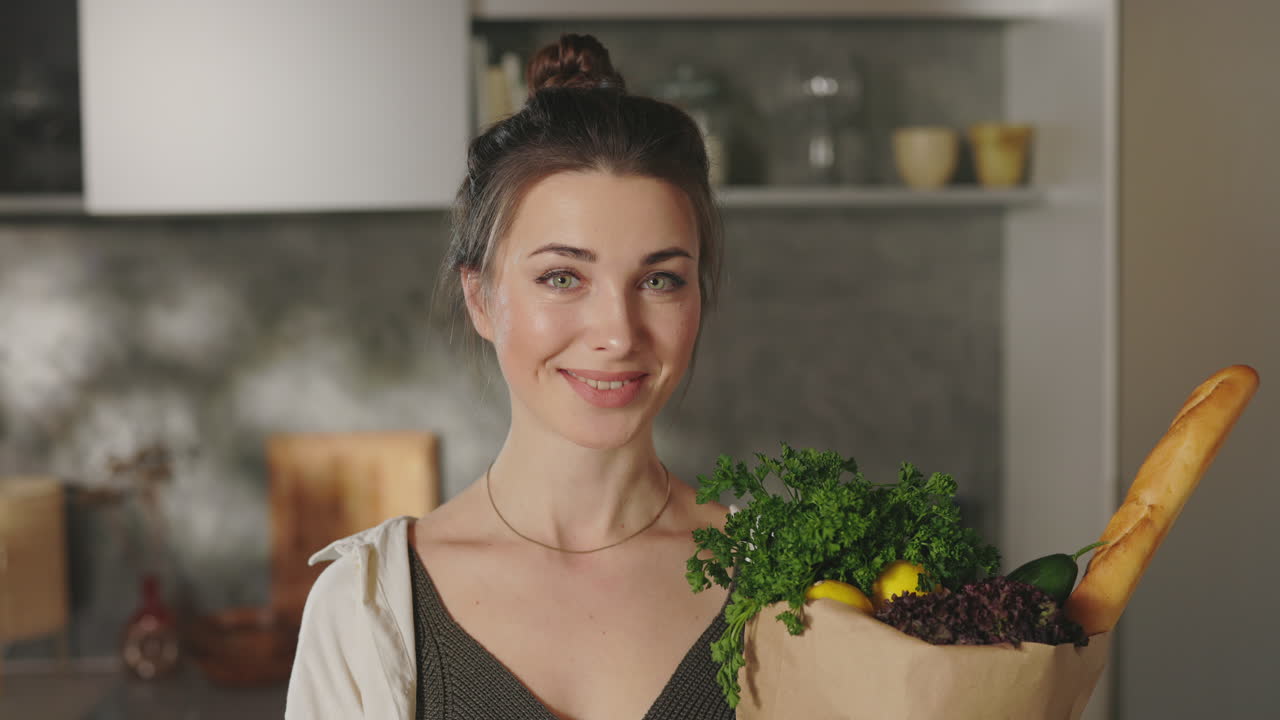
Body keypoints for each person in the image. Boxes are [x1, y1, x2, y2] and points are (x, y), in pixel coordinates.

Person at [285, 34, 735, 720]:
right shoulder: (369, 608)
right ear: (481, 299)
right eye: (562, 277)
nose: (617, 333)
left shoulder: (784, 580)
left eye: (660, 279)